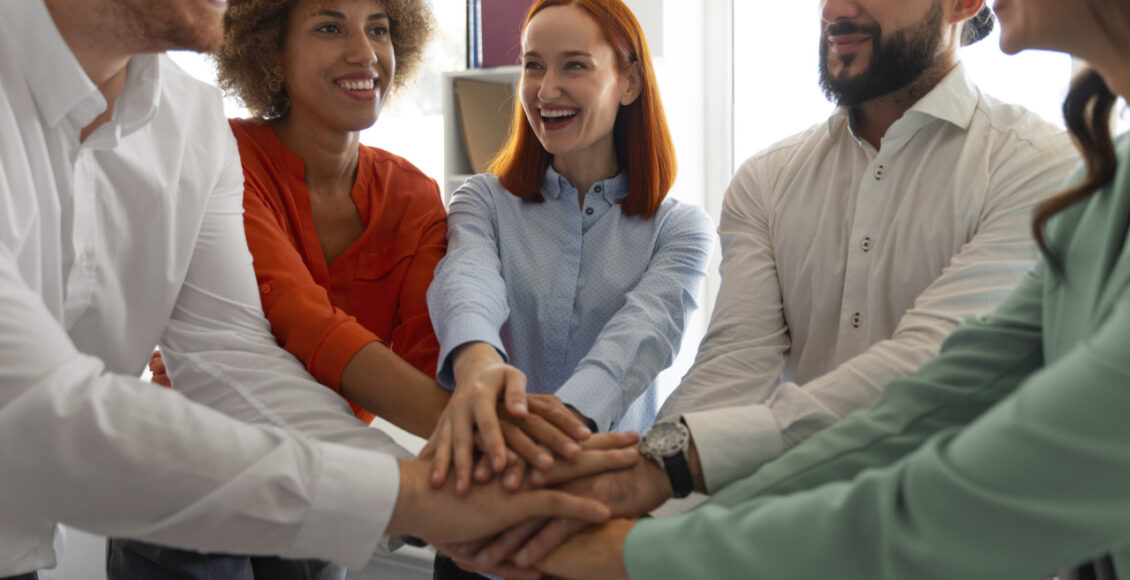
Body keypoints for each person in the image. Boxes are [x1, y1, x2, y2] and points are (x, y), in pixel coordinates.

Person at [0, 0, 638, 578]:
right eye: (329, 26)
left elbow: (235, 357)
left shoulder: (189, 125)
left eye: (378, 28)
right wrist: (419, 492)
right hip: (184, 490)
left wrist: (458, 462)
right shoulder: (232, 145)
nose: (363, 50)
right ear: (273, 49)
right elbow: (28, 401)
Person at [528, 0, 1130, 577]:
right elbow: (736, 370)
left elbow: (929, 376)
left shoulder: (1047, 169)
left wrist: (646, 539)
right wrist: (642, 488)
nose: (834, 9)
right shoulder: (768, 180)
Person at [422, 0, 713, 576]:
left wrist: (546, 441)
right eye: (534, 65)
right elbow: (468, 282)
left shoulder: (680, 228)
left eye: (574, 66)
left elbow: (638, 341)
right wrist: (479, 368)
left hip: (603, 522)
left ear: (628, 81)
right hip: (482, 517)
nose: (545, 88)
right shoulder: (482, 199)